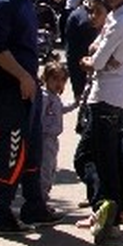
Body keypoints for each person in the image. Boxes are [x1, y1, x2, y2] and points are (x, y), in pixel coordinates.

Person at [0, 0, 62, 233]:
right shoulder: (4, 1)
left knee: (32, 150)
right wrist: (21, 76)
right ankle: (0, 213)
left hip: (27, 87)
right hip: (9, 89)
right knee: (12, 150)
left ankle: (34, 206)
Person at [76, 0, 123, 244]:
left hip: (106, 97)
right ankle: (116, 211)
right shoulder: (121, 16)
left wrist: (89, 62)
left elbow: (97, 60)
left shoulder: (122, 20)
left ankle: (104, 207)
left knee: (88, 158)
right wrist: (97, 57)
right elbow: (99, 49)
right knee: (112, 157)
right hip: (114, 95)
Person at [63, 0, 106, 101]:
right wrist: (77, 89)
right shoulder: (76, 17)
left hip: (115, 82)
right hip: (87, 83)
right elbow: (72, 55)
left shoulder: (117, 11)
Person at [39, 61, 76, 203]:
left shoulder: (54, 97)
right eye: (54, 79)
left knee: (51, 168)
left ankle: (44, 196)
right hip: (44, 138)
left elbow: (60, 109)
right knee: (45, 169)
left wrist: (75, 103)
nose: (58, 83)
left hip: (53, 138)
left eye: (62, 80)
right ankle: (41, 198)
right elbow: (39, 117)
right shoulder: (44, 97)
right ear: (46, 78)